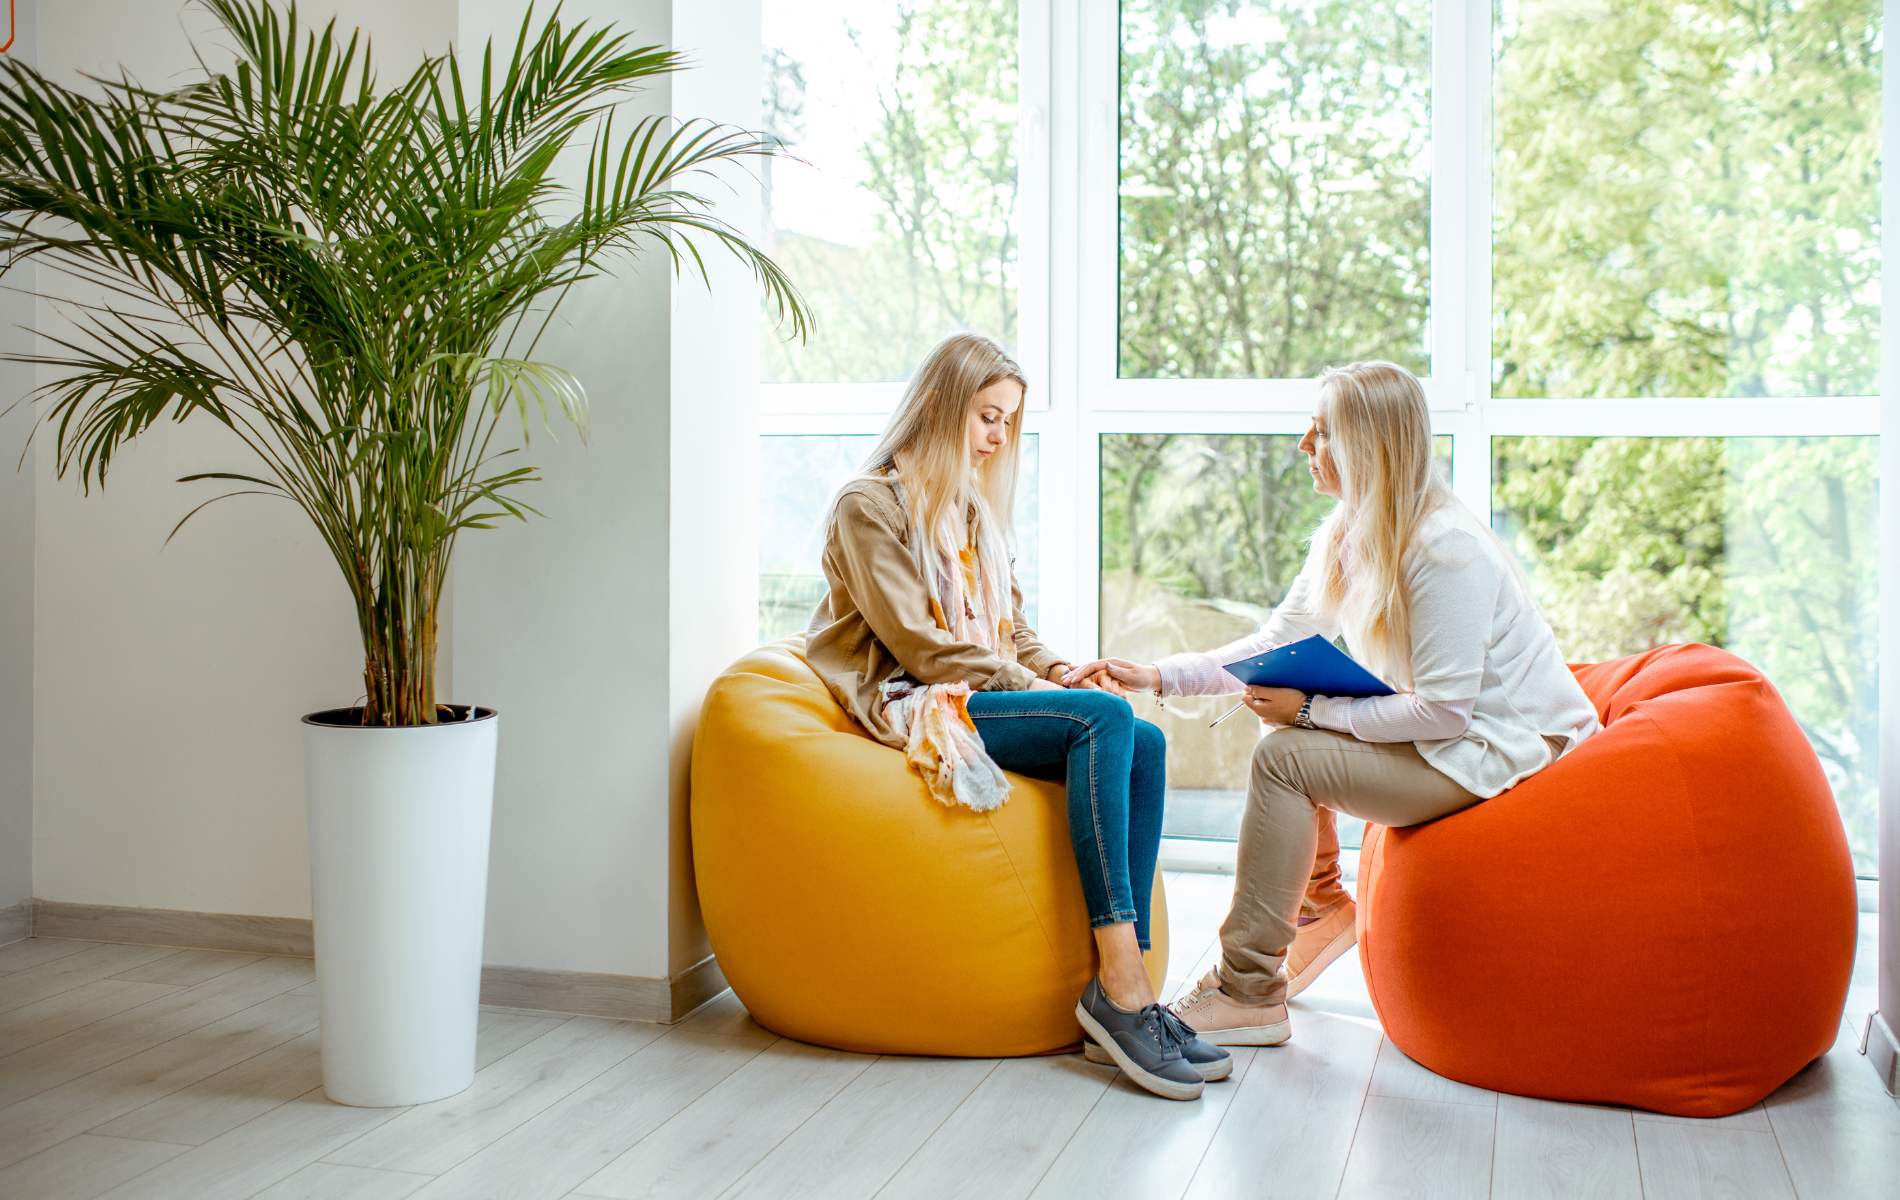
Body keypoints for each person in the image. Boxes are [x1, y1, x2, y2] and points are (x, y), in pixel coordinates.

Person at [1067, 360, 1600, 1045]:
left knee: (1287, 756)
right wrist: (1156, 677)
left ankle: (1247, 991)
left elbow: (1444, 712)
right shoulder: (1345, 534)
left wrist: (1312, 712)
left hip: (1503, 755)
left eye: (1320, 433)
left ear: (1367, 448)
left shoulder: (1443, 549)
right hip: (1456, 741)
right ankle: (1320, 906)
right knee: (1281, 742)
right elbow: (1272, 642)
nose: (1302, 446)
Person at [804, 332, 1226, 1100]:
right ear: (936, 405)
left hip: (972, 689)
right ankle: (1124, 988)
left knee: (1147, 742)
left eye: (1009, 423)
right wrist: (1041, 686)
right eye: (986, 416)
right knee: (1103, 722)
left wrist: (1061, 670)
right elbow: (922, 648)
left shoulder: (968, 509)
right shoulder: (866, 506)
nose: (998, 439)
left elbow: (1010, 632)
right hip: (914, 703)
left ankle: (1129, 1001)